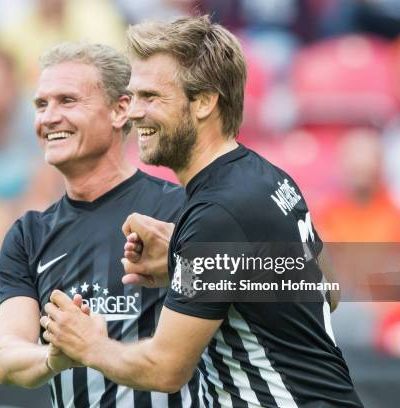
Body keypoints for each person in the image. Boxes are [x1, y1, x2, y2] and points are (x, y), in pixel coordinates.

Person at [41, 16, 363, 407]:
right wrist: (190, 266)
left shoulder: (217, 214)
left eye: (151, 97)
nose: (134, 112)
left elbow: (165, 369)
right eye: (133, 95)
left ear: (205, 102)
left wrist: (89, 345)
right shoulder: (266, 176)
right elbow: (328, 290)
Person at [0, 42, 199, 407]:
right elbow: (8, 357)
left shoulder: (182, 208)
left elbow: (313, 288)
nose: (49, 117)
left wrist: (188, 262)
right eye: (42, 105)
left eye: (67, 101)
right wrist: (53, 358)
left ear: (121, 110)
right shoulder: (28, 235)